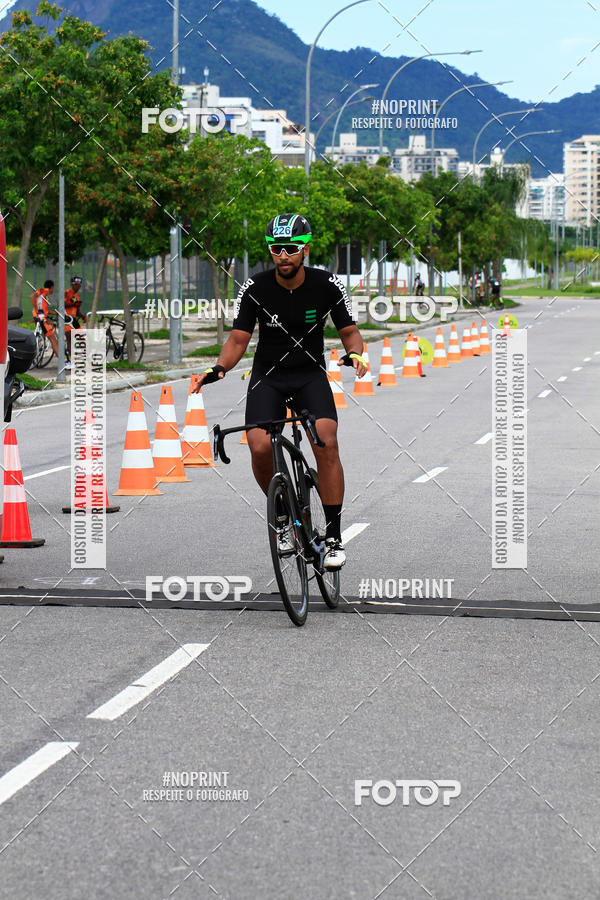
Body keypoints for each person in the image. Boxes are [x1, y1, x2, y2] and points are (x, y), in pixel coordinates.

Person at [193, 213, 366, 570]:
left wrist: (356, 354)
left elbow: (349, 331)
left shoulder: (327, 284)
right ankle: (284, 517)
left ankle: (333, 536)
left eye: (290, 248)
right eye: (276, 249)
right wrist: (219, 367)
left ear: (305, 249)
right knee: (258, 446)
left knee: (326, 441)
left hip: (309, 375)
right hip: (268, 377)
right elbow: (238, 339)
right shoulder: (254, 288)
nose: (282, 255)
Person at [31, 279, 59, 359]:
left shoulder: (45, 295)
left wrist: (55, 313)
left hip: (39, 317)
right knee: (53, 339)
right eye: (53, 288)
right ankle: (63, 361)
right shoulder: (43, 291)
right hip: (41, 318)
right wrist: (36, 310)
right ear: (52, 287)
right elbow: (32, 296)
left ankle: (40, 343)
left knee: (50, 337)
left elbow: (44, 309)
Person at [64, 275, 85, 361]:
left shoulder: (77, 296)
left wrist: (82, 316)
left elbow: (77, 310)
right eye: (76, 284)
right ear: (72, 284)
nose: (78, 286)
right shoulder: (66, 293)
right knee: (70, 339)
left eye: (79, 285)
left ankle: (85, 359)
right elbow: (62, 304)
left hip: (73, 319)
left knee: (82, 338)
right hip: (66, 319)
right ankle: (70, 360)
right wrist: (73, 304)